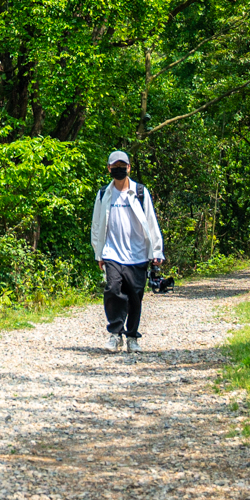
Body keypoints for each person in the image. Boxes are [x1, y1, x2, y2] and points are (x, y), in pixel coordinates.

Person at [89, 149, 164, 352]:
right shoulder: (104, 194)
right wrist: (99, 253)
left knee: (135, 296)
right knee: (113, 289)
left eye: (123, 166)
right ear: (109, 169)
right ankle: (115, 334)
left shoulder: (140, 192)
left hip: (137, 254)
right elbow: (96, 224)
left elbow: (151, 221)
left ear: (129, 168)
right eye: (115, 167)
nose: (119, 170)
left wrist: (157, 251)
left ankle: (132, 337)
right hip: (112, 252)